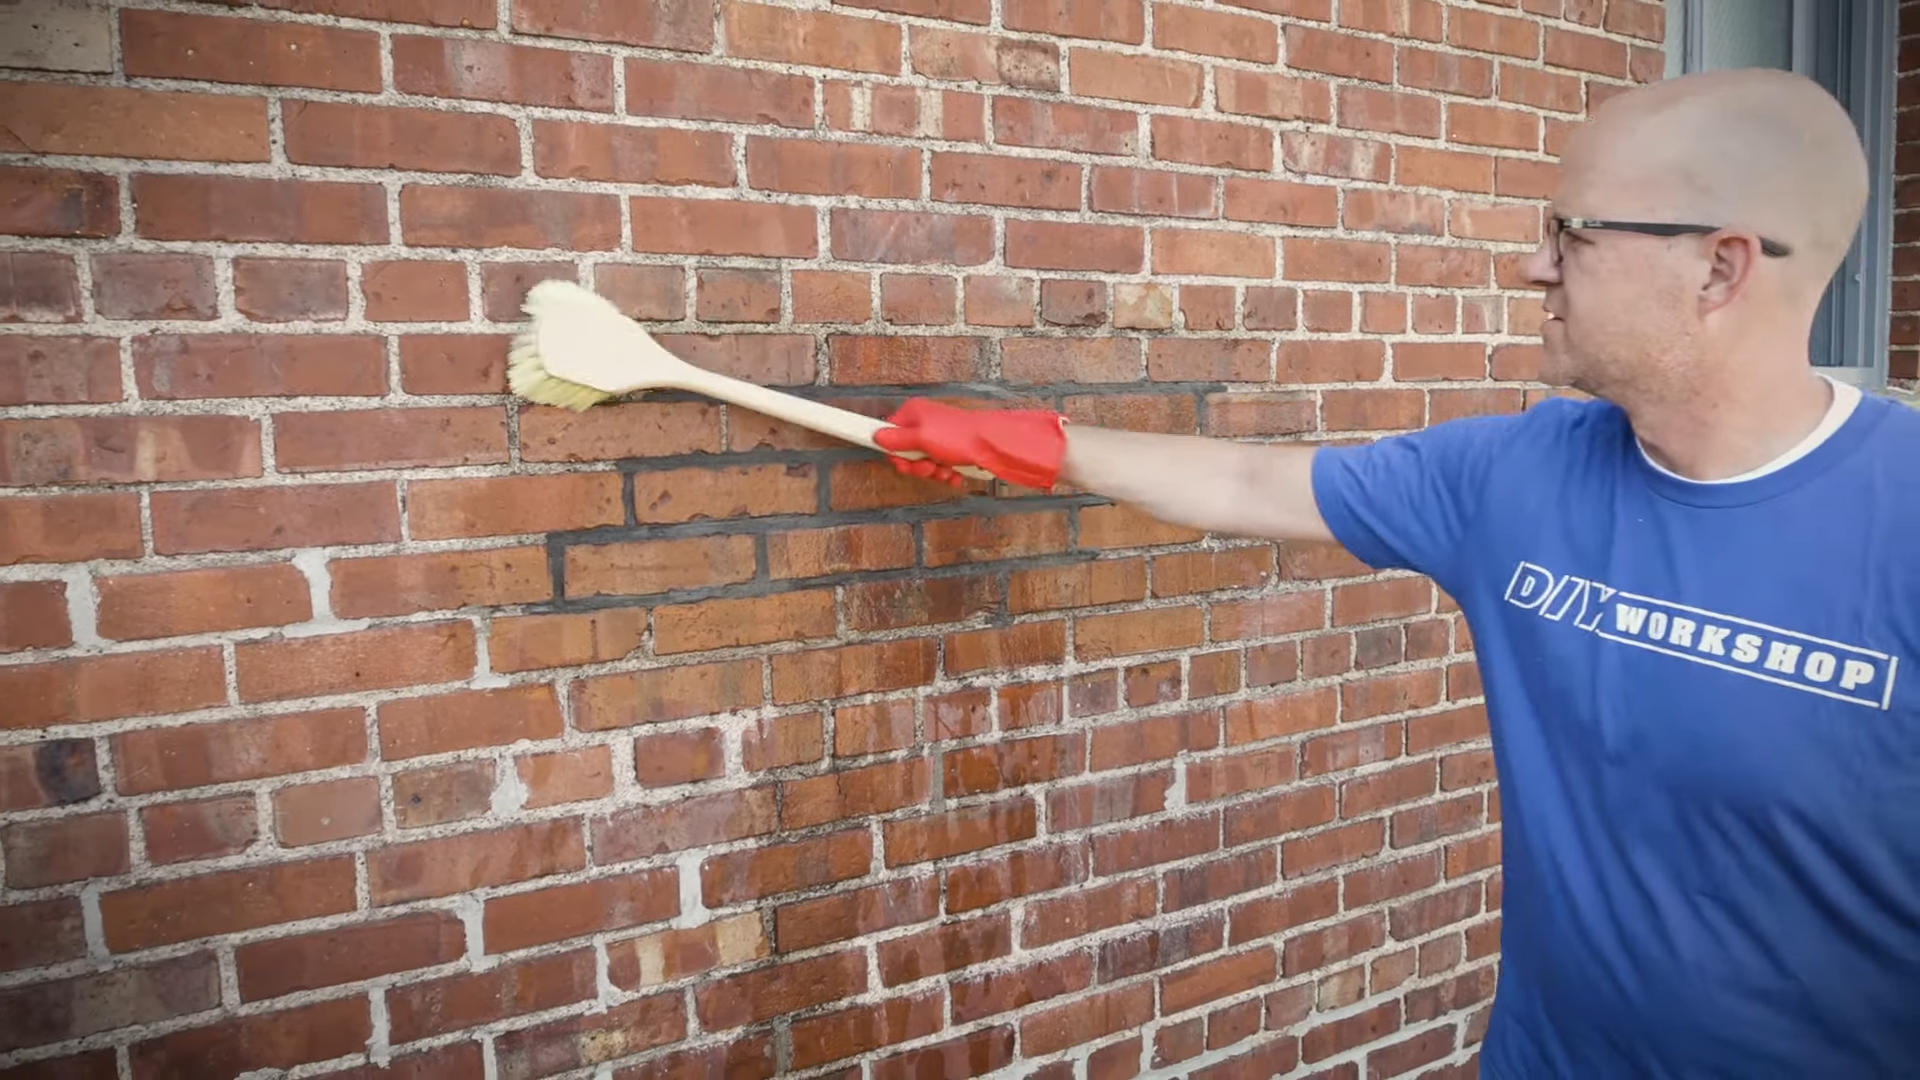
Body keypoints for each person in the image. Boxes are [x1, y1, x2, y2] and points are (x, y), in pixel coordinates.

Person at [874, 67, 1920, 1077]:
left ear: (1720, 270)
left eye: (1573, 235)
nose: (1534, 268)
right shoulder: (1514, 476)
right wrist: (1029, 445)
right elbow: (1248, 482)